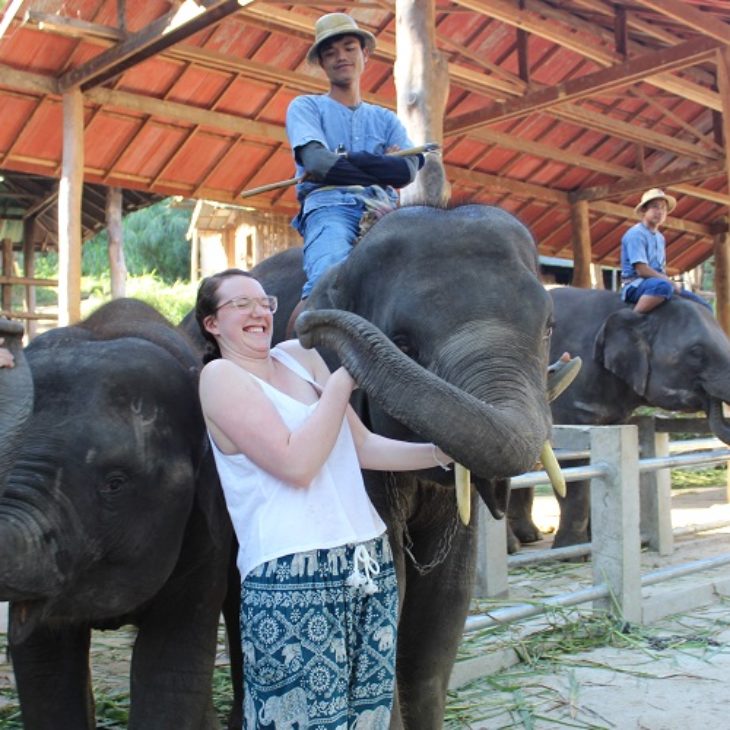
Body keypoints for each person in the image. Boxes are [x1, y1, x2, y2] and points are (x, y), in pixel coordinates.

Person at [195, 268, 453, 729]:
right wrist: (340, 384)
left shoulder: (299, 358)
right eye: (240, 304)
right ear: (212, 324)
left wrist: (444, 453)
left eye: (263, 302)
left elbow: (364, 448)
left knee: (369, 716)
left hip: (367, 562)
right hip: (291, 577)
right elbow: (296, 464)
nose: (257, 312)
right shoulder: (221, 378)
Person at [285, 13, 424, 303]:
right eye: (330, 52)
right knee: (330, 277)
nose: (341, 57)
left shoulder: (386, 119)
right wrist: (381, 165)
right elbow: (317, 162)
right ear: (322, 63)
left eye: (349, 48)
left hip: (385, 211)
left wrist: (346, 159)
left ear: (365, 54)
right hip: (330, 208)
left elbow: (407, 172)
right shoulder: (306, 107)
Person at [620, 188, 711, 314]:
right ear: (644, 210)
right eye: (655, 207)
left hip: (657, 282)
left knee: (704, 306)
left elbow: (659, 269)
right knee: (664, 287)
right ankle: (633, 318)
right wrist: (667, 281)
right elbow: (641, 270)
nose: (660, 212)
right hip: (636, 285)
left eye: (663, 208)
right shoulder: (636, 234)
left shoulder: (660, 238)